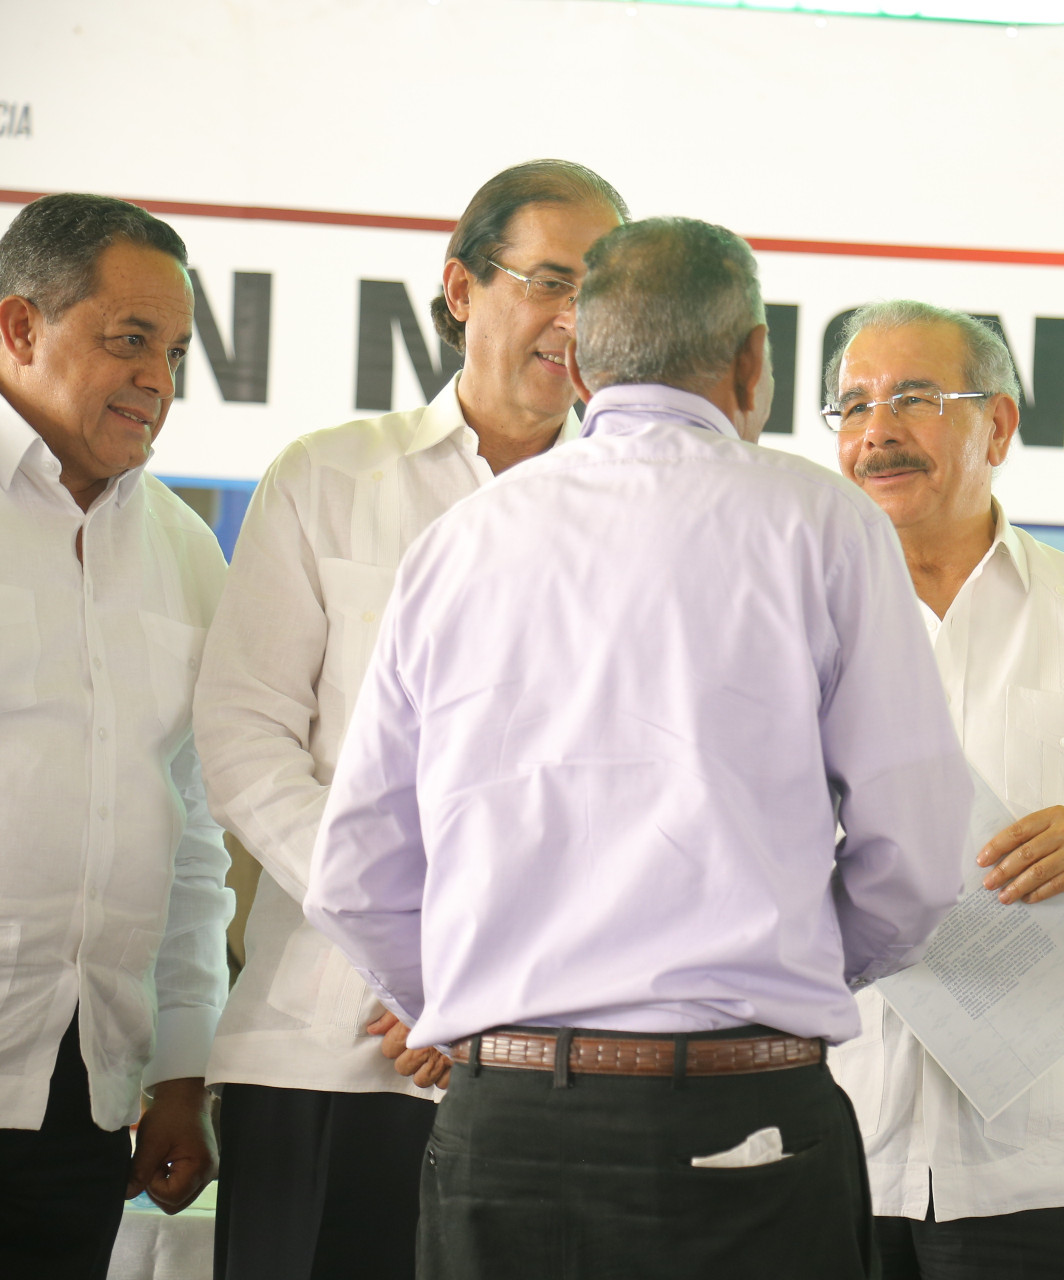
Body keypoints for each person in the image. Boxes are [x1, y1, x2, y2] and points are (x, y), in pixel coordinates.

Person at [305, 217, 971, 1279]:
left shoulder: (458, 542)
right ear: (752, 360)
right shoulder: (823, 524)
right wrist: (773, 967)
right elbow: (920, 857)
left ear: (578, 365)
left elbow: (352, 878)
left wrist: (491, 1013)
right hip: (743, 1123)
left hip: (503, 1127)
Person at [193, 159, 626, 1280]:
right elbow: (243, 740)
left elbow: (638, 793)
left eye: (603, 292)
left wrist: (498, 973)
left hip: (553, 1058)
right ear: (461, 288)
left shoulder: (643, 517)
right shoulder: (329, 477)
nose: (575, 319)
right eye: (550, 280)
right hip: (326, 1044)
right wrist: (418, 948)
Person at [825, 300, 1064, 1279]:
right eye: (853, 404)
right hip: (833, 1140)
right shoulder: (794, 613)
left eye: (913, 398)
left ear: (997, 425)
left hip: (1036, 1162)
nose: (877, 431)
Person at [0, 193, 233, 1277]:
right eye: (130, 339)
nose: (158, 379)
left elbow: (190, 835)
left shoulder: (186, 551)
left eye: (174, 353)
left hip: (82, 1093)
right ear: (20, 326)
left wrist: (181, 1069)